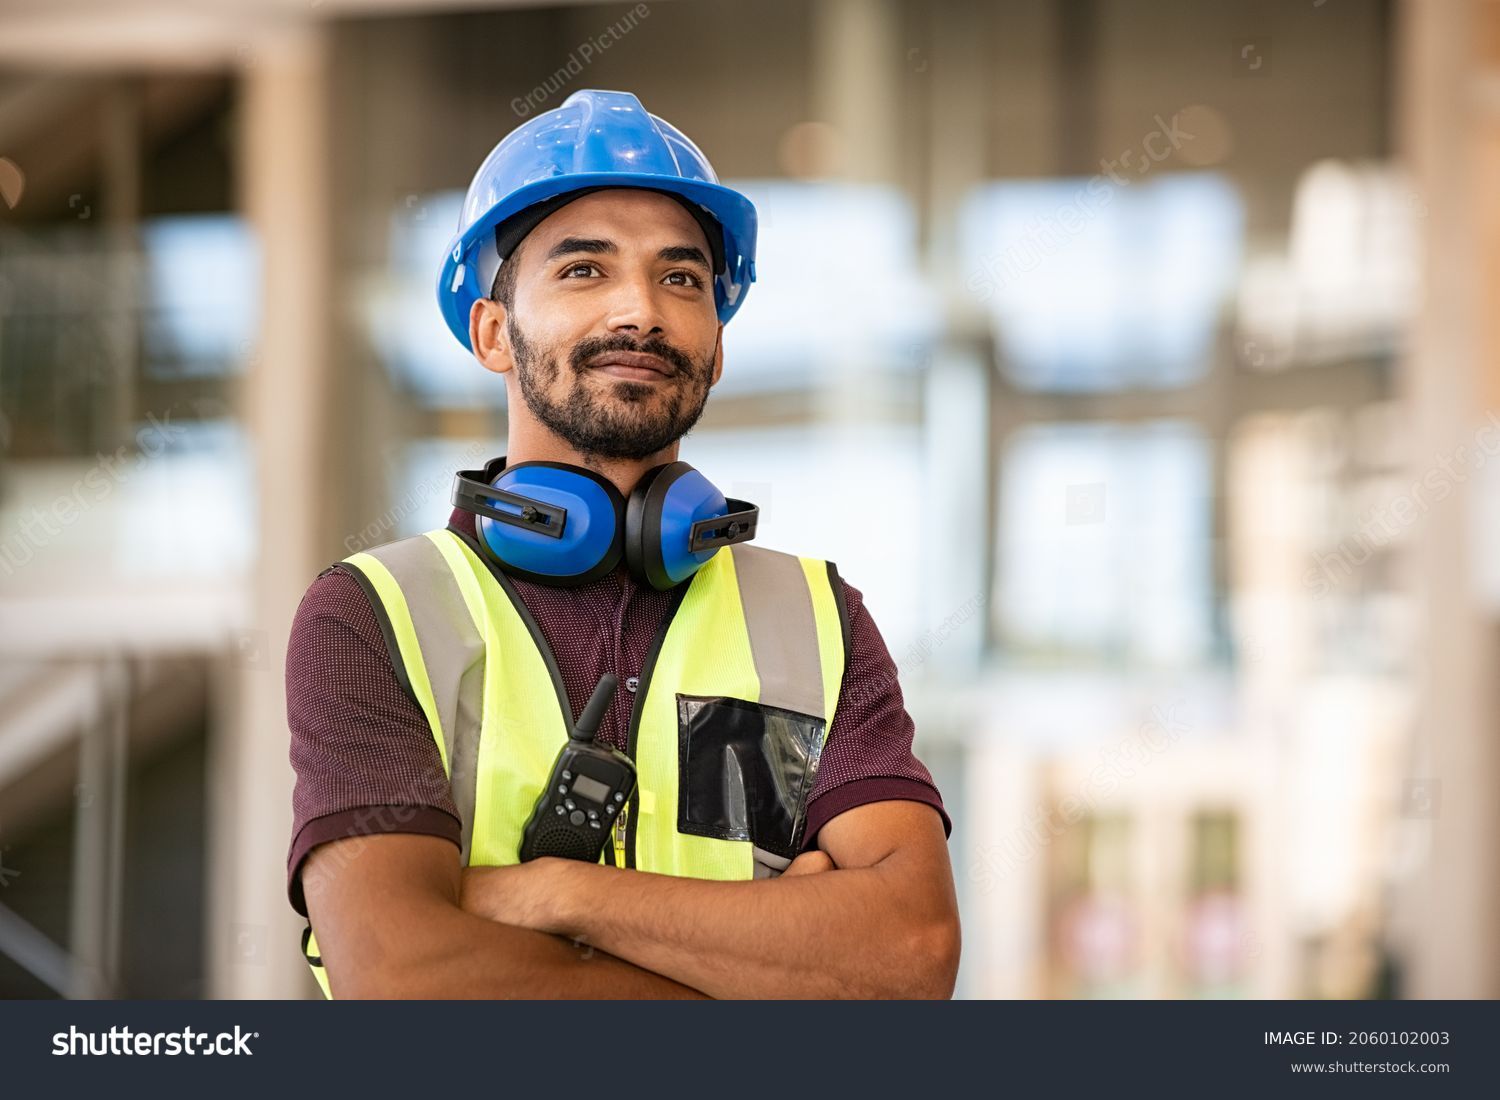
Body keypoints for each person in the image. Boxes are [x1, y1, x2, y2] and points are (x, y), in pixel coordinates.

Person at [285, 89, 959, 999]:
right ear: (494, 333)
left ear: (717, 346)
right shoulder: (374, 613)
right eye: (584, 271)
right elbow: (404, 975)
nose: (639, 310)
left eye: (681, 279)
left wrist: (561, 894)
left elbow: (911, 953)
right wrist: (775, 973)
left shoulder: (818, 620)